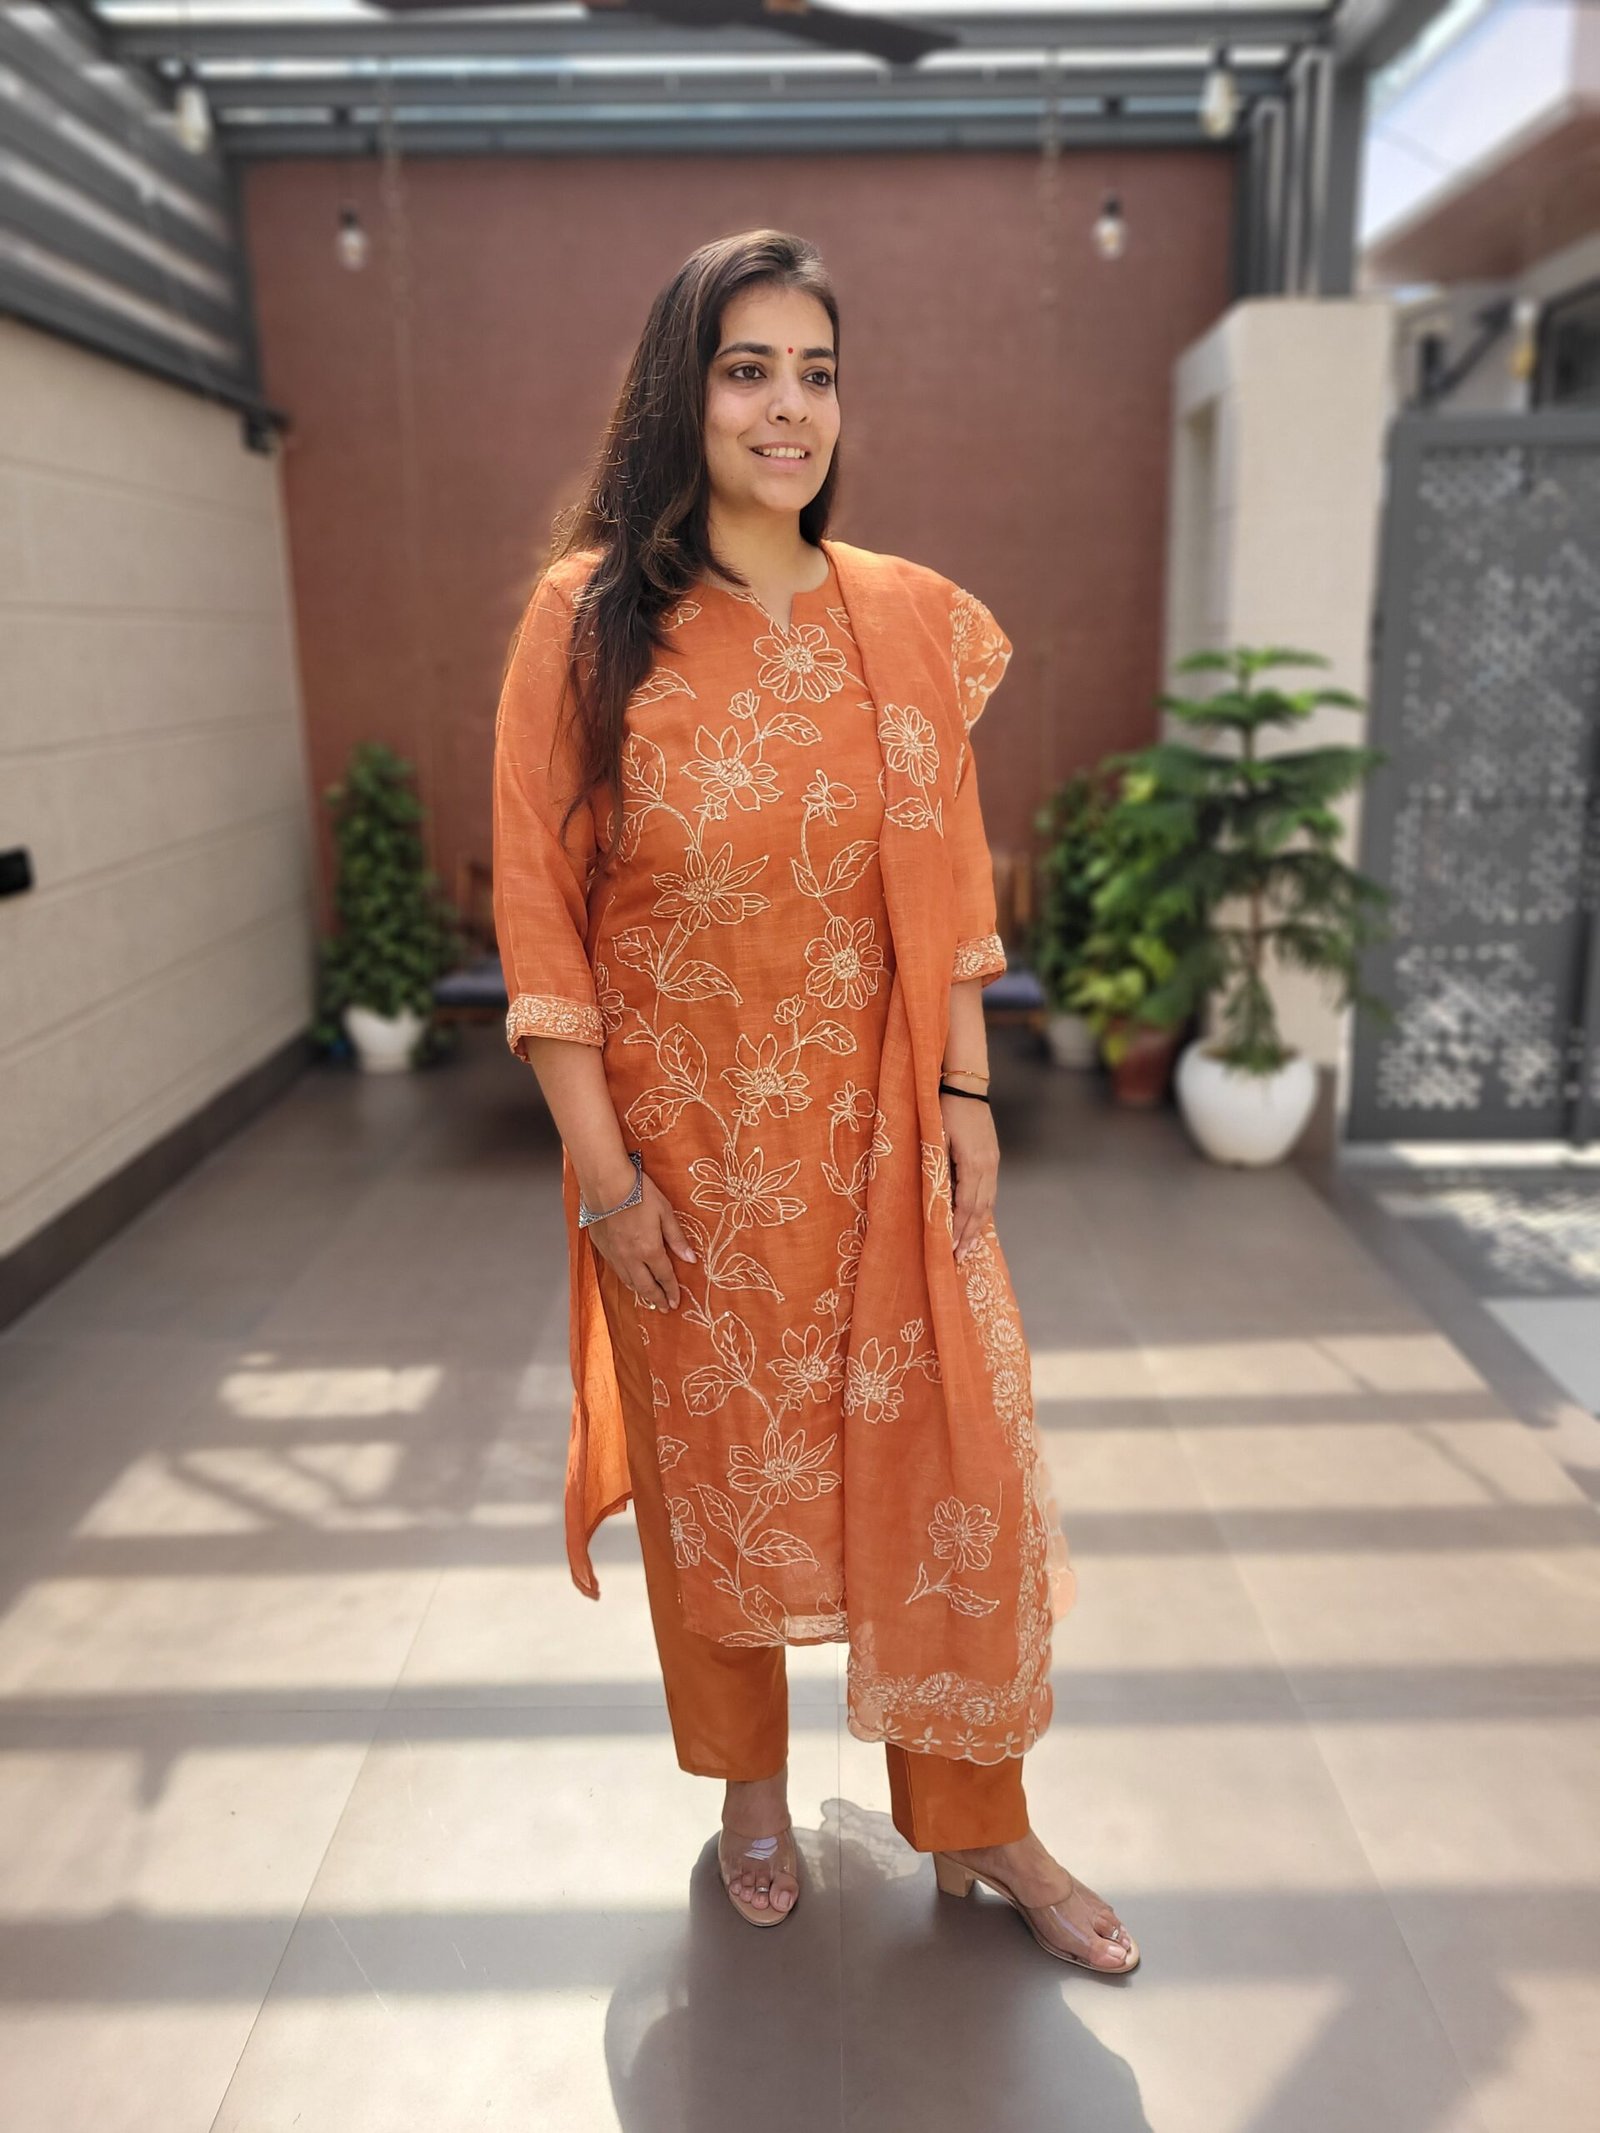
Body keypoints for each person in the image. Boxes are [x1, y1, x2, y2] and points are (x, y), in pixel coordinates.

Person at [490, 229, 1138, 1973]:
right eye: (748, 370)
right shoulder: (586, 621)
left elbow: (952, 870)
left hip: (882, 1138)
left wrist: (966, 1088)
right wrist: (607, 1177)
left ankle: (983, 1818)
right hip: (688, 1153)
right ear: (682, 394)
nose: (789, 408)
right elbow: (540, 911)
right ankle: (751, 1790)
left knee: (949, 1468)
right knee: (719, 1485)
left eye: (817, 373)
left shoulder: (907, 618)